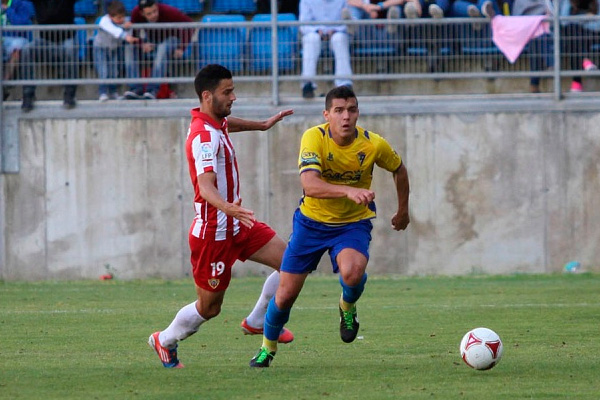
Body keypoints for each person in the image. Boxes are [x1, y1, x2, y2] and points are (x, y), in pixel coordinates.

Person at [249, 85, 410, 368]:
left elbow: (398, 169)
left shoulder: (373, 144)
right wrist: (348, 191)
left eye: (351, 110)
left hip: (352, 225)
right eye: (339, 111)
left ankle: (347, 307)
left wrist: (403, 210)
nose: (346, 116)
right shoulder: (314, 137)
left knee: (352, 273)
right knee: (285, 295)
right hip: (310, 224)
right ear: (327, 114)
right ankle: (267, 347)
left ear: (358, 113)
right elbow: (309, 185)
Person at [148, 64, 295, 369]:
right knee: (209, 308)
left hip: (238, 225)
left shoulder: (216, 123)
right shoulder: (203, 137)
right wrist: (227, 207)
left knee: (294, 262)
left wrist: (262, 125)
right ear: (207, 96)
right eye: (227, 92)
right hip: (213, 232)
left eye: (233, 90)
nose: (234, 97)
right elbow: (205, 186)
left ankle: (257, 321)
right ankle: (164, 340)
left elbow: (230, 125)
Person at [123, 0, 193, 100]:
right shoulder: (135, 13)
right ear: (142, 13)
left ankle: (152, 89)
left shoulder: (168, 11)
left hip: (172, 39)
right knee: (129, 47)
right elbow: (134, 35)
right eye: (149, 13)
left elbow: (190, 24)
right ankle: (135, 88)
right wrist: (142, 44)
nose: (153, 15)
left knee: (162, 48)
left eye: (155, 11)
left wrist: (181, 47)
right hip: (152, 41)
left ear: (157, 6)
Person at [20, 0, 78, 112]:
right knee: (27, 50)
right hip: (45, 41)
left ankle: (70, 94)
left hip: (66, 39)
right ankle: (28, 94)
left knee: (70, 50)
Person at [299, 0, 353, 99]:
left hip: (336, 33)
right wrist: (317, 31)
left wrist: (335, 30)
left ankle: (344, 84)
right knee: (311, 39)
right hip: (316, 34)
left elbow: (348, 22)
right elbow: (303, 25)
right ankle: (308, 84)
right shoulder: (306, 1)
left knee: (339, 38)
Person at [93, 0, 139, 102]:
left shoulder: (124, 21)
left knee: (114, 71)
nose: (121, 20)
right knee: (103, 71)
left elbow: (128, 30)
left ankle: (113, 92)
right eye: (118, 18)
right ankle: (103, 92)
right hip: (101, 48)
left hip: (114, 49)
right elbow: (113, 30)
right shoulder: (104, 20)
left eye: (122, 17)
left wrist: (127, 28)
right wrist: (125, 35)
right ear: (110, 16)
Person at [511, 0, 554, 93]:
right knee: (538, 38)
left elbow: (552, 16)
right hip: (525, 33)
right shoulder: (520, 2)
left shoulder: (545, 1)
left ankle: (534, 85)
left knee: (537, 41)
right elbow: (515, 20)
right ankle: (551, 63)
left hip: (543, 33)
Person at [560, 0, 600, 92]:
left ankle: (576, 83)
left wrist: (578, 21)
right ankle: (585, 60)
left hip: (593, 34)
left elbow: (597, 25)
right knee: (572, 33)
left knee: (574, 32)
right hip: (576, 35)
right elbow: (564, 22)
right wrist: (585, 18)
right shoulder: (567, 2)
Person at [1, 0, 34, 101]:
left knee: (17, 47)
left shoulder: (22, 4)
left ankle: (4, 86)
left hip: (17, 39)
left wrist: (7, 10)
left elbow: (20, 24)